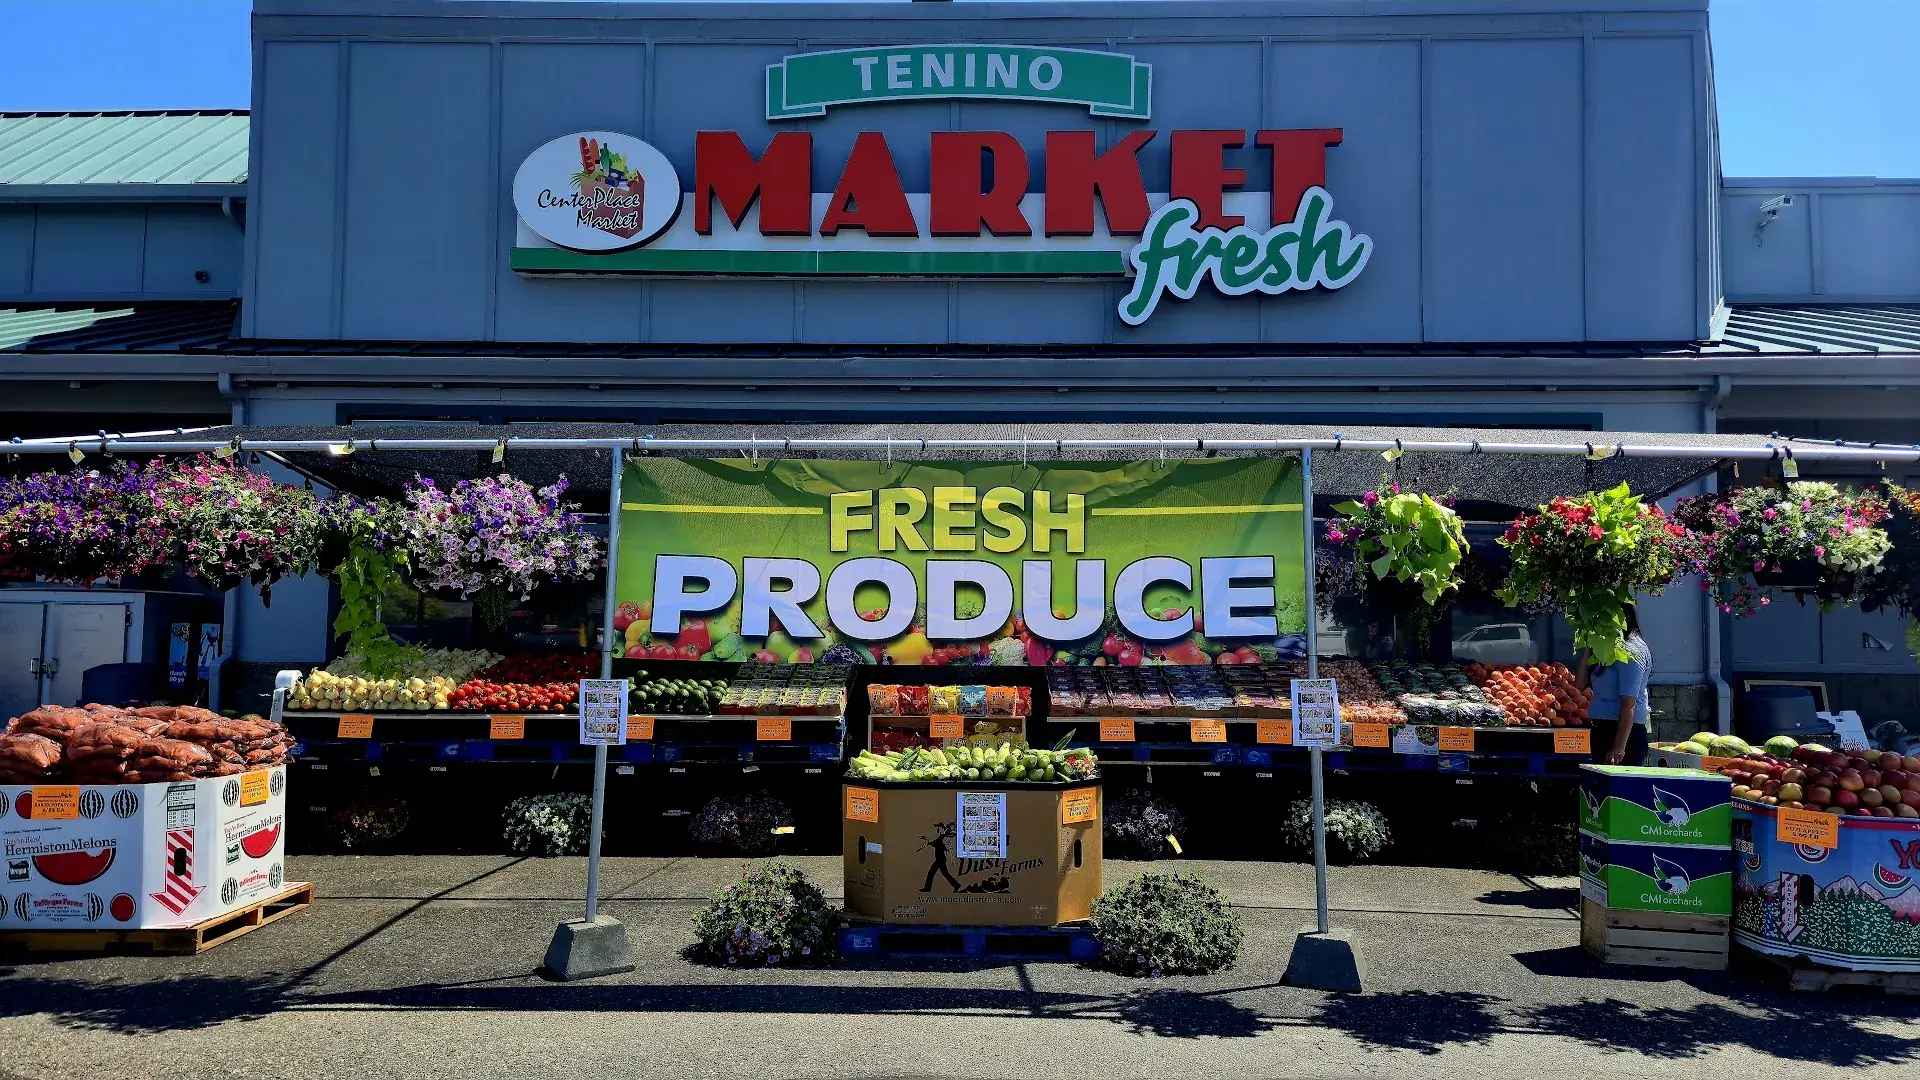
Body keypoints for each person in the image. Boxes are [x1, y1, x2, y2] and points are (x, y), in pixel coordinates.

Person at [1578, 605, 1652, 766]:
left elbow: (1629, 704)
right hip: (1601, 728)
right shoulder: (1603, 646)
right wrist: (1588, 652)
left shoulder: (1632, 651)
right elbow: (1580, 685)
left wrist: (1619, 747)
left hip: (1624, 733)